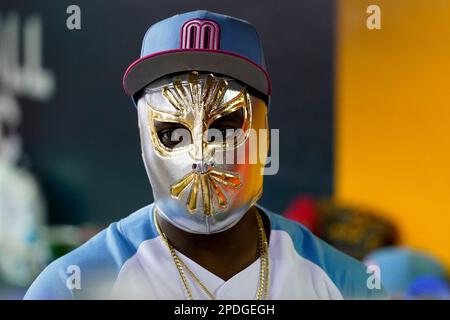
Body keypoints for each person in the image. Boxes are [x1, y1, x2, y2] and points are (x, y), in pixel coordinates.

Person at [24, 10, 388, 300]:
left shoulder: (345, 286)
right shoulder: (71, 288)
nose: (200, 153)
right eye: (173, 132)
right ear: (144, 139)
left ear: (264, 131)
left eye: (226, 128)